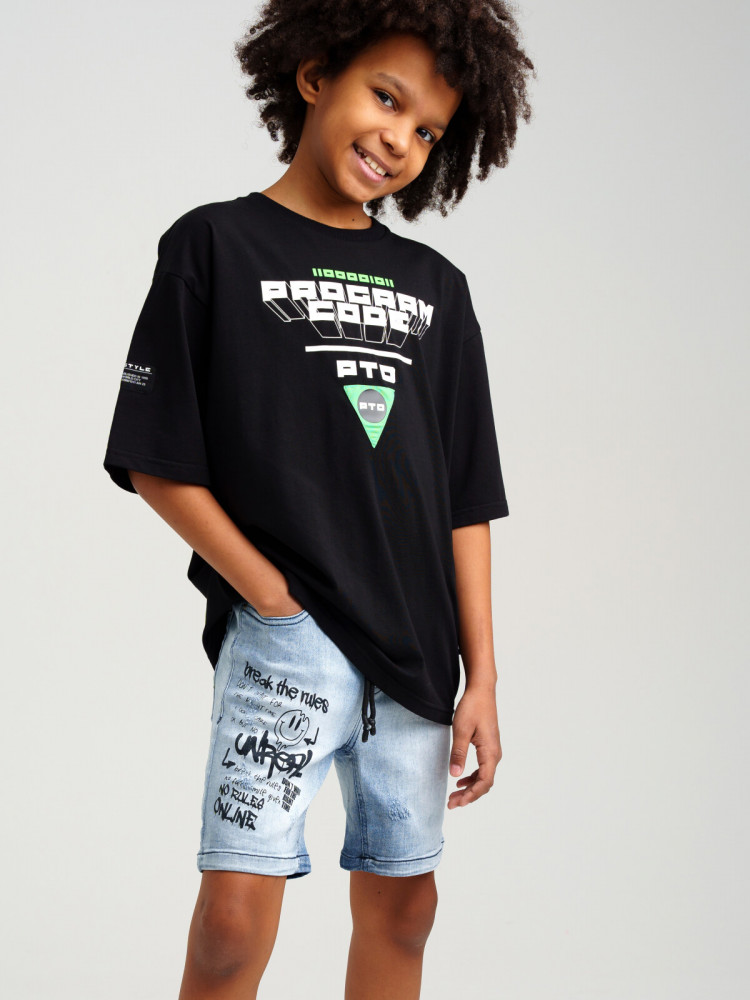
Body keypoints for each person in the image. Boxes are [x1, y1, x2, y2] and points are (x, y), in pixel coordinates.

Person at [102, 2, 534, 996]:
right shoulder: (213, 246)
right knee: (230, 920)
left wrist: (483, 677)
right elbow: (156, 456)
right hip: (286, 641)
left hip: (418, 651)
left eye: (428, 130)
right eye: (386, 97)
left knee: (406, 906)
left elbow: (466, 496)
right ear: (313, 75)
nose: (400, 138)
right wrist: (270, 596)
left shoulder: (437, 287)